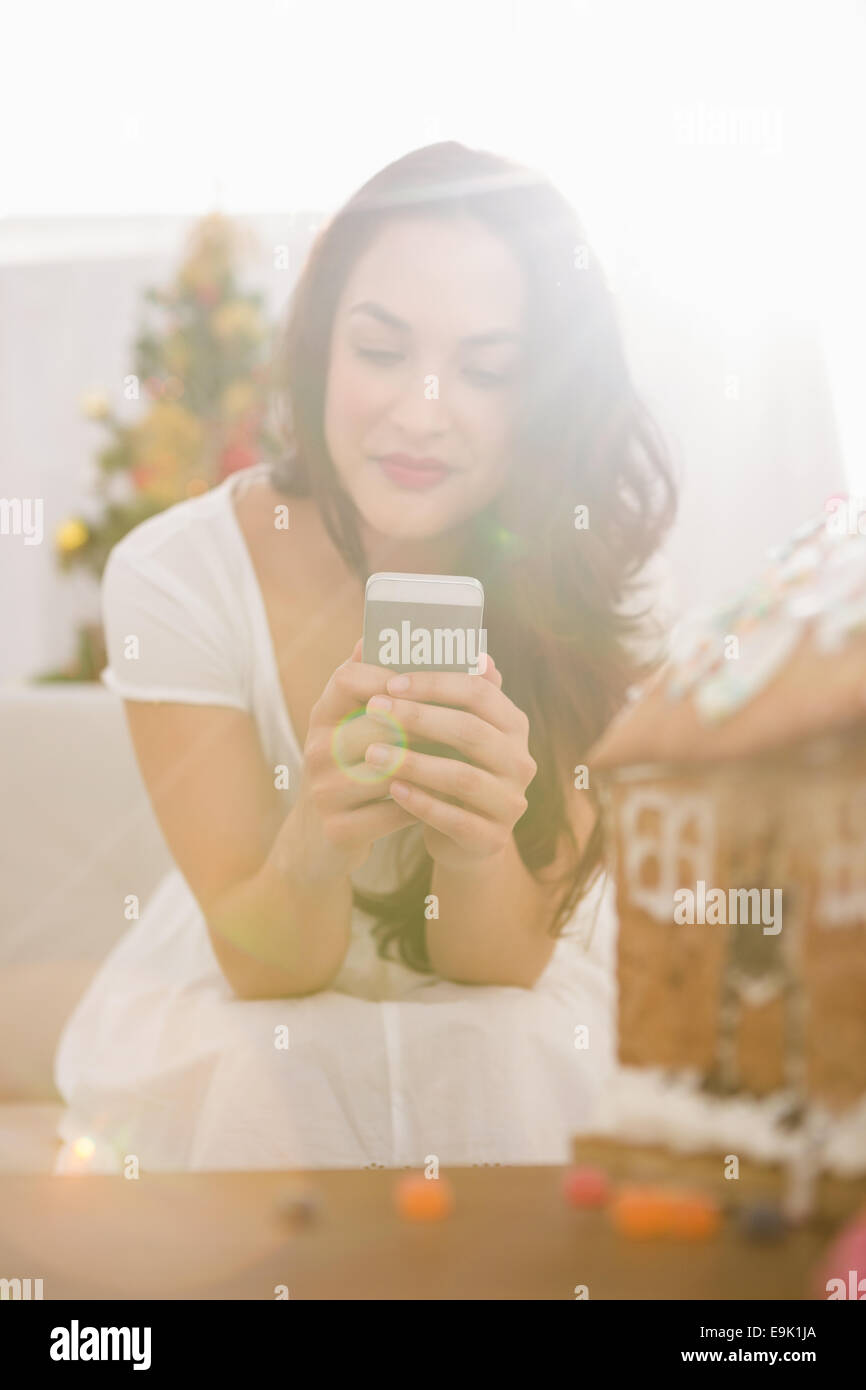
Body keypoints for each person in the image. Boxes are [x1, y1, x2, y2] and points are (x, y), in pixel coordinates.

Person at [53, 141, 677, 1173]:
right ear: (320, 350)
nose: (420, 412)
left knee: (513, 1047)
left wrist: (474, 844)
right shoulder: (174, 575)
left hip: (497, 978)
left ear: (545, 399)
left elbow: (498, 964)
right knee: (262, 1061)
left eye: (485, 370)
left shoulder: (586, 573)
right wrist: (318, 834)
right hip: (264, 963)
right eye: (380, 351)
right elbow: (267, 969)